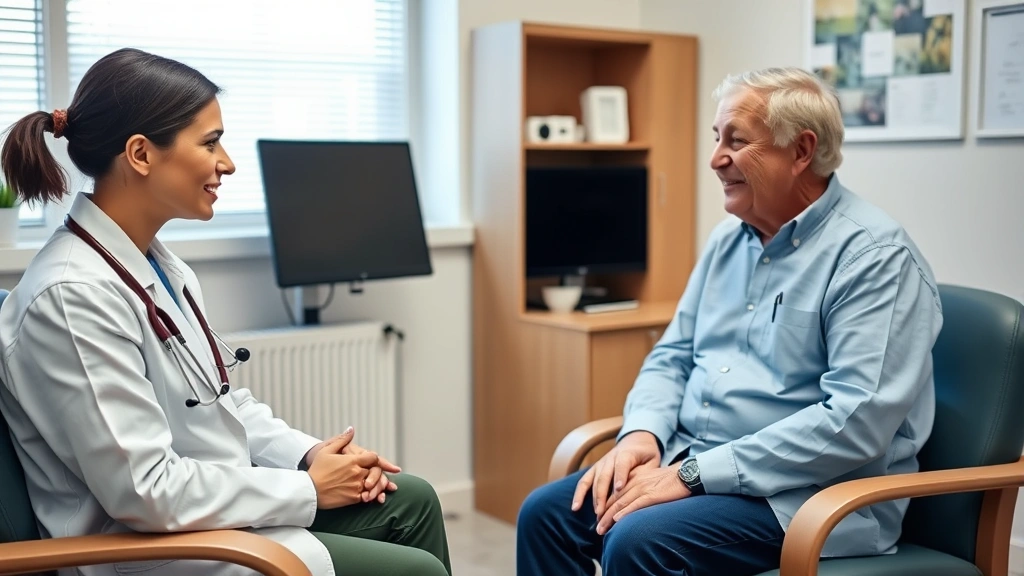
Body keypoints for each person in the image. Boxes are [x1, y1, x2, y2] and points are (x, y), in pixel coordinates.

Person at [0, 48, 451, 576]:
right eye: (210, 142)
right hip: (147, 552)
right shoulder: (72, 295)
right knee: (414, 570)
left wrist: (311, 458)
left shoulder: (157, 267)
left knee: (412, 500)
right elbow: (145, 492)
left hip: (210, 512)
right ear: (141, 154)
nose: (228, 162)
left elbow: (218, 401)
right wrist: (307, 489)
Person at [517, 66, 942, 576]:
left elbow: (853, 423)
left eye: (736, 142)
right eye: (717, 137)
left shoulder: (875, 258)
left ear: (801, 151)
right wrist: (642, 435)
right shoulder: (728, 239)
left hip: (807, 497)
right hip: (694, 462)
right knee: (545, 515)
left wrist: (694, 475)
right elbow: (672, 356)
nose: (715, 159)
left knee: (638, 539)